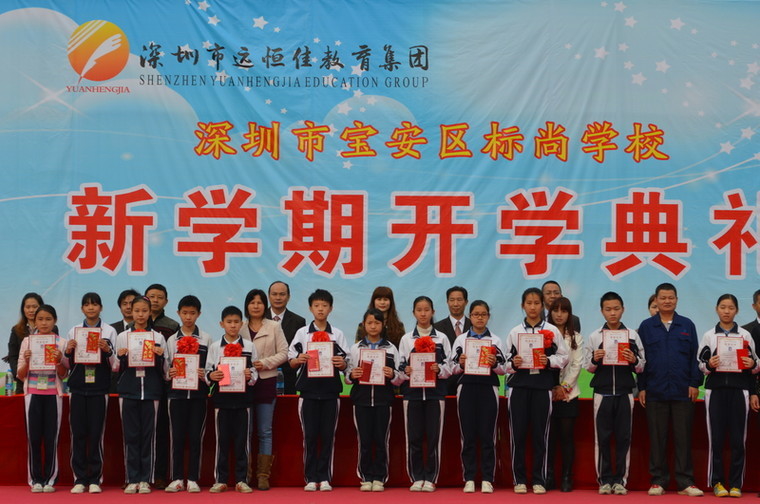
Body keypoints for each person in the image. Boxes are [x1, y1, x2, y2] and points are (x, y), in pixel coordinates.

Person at [637, 283, 704, 497]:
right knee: (657, 438)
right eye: (663, 298)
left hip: (683, 391)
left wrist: (694, 383)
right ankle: (658, 481)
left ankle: (685, 482)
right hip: (655, 391)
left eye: (671, 297)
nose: (667, 301)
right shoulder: (646, 326)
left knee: (683, 438)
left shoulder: (687, 324)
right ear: (656, 300)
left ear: (676, 299)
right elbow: (641, 360)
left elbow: (695, 357)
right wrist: (642, 387)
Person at [505, 287, 569, 495]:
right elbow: (504, 363)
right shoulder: (515, 332)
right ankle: (519, 480)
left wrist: (548, 360)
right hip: (519, 388)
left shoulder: (552, 331)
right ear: (522, 306)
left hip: (542, 387)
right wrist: (513, 363)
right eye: (529, 303)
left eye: (536, 303)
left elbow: (564, 357)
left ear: (543, 306)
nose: (532, 307)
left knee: (541, 435)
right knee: (518, 435)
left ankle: (539, 479)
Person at [698, 294, 760, 498]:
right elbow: (700, 364)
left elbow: (756, 364)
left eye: (731, 308)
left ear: (737, 311)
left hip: (739, 391)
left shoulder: (745, 335)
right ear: (716, 309)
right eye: (723, 307)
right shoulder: (709, 335)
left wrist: (752, 364)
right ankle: (717, 482)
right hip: (714, 391)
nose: (726, 311)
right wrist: (709, 364)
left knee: (738, 439)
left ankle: (735, 484)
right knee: (715, 439)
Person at [584, 292, 645, 496]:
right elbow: (587, 367)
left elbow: (642, 366)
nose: (612, 313)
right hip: (602, 394)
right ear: (602, 311)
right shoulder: (595, 336)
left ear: (623, 309)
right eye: (608, 309)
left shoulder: (632, 335)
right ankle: (604, 480)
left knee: (624, 438)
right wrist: (595, 359)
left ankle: (620, 480)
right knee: (601, 439)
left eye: (616, 309)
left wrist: (633, 360)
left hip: (625, 393)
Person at [288, 289, 348, 492]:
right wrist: (299, 359)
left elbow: (346, 362)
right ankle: (311, 478)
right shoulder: (302, 333)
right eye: (316, 305)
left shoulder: (337, 334)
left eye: (324, 305)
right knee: (310, 437)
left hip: (331, 392)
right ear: (310, 308)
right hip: (308, 393)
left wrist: (341, 363)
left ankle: (325, 478)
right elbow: (291, 361)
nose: (320, 309)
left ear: (331, 308)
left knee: (328, 436)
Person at [449, 300, 507, 494]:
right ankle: (469, 478)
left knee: (488, 434)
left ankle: (488, 479)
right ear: (470, 316)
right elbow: (451, 367)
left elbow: (504, 369)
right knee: (468, 435)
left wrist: (494, 363)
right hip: (466, 388)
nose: (480, 318)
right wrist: (461, 363)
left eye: (483, 314)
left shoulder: (496, 341)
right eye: (476, 314)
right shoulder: (461, 340)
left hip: (488, 388)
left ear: (488, 317)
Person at [64, 293, 117, 494]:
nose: (91, 308)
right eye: (87, 305)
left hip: (99, 389)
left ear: (101, 307)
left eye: (94, 304)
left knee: (96, 434)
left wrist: (107, 350)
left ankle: (95, 479)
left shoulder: (109, 331)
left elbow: (115, 365)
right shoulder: (74, 331)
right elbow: (66, 365)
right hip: (77, 388)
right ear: (82, 309)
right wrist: (68, 351)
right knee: (78, 434)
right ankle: (79, 479)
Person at [114, 296, 169, 494]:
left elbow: (167, 371)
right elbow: (114, 367)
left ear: (150, 312)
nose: (140, 314)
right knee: (130, 436)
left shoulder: (158, 337)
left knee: (148, 436)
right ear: (131, 311)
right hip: (128, 391)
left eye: (144, 311)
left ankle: (146, 479)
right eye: (136, 310)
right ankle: (131, 478)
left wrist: (160, 356)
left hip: (152, 391)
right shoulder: (122, 337)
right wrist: (120, 356)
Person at [398, 295, 452, 493]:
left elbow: (450, 366)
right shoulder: (406, 339)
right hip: (412, 395)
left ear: (433, 312)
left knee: (433, 438)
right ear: (413, 313)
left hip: (435, 395)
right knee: (413, 438)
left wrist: (440, 369)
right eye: (419, 310)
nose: (423, 313)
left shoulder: (442, 338)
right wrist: (406, 371)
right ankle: (416, 477)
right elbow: (400, 367)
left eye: (426, 310)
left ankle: (430, 477)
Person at [346, 308, 404, 492]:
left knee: (381, 440)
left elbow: (400, 377)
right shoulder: (356, 348)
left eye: (377, 323)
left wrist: (392, 374)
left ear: (383, 325)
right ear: (364, 325)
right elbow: (347, 376)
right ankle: (365, 477)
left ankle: (379, 477)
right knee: (364, 440)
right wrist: (352, 375)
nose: (373, 326)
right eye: (369, 323)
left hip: (383, 400)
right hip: (361, 400)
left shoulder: (390, 348)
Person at [206, 305, 258, 494]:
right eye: (229, 322)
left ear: (242, 323)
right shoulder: (215, 347)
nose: (233, 325)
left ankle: (241, 479)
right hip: (222, 401)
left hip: (243, 401)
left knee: (242, 442)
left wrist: (249, 375)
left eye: (236, 322)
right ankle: (220, 480)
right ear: (222, 324)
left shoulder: (249, 346)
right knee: (222, 441)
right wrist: (212, 376)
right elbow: (208, 371)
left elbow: (255, 372)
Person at [239, 288, 288, 490]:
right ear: (247, 306)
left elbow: (284, 353)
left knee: (265, 431)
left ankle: (262, 475)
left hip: (266, 382)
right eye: (252, 302)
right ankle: (245, 474)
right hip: (243, 384)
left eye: (259, 302)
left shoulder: (274, 326)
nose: (256, 306)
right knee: (246, 431)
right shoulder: (239, 326)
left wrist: (265, 363)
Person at [17, 304, 67, 493]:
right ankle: (35, 479)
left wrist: (59, 360)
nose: (44, 323)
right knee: (34, 437)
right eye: (40, 319)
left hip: (53, 394)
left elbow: (64, 374)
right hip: (32, 393)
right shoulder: (27, 342)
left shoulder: (61, 343)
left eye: (48, 319)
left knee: (51, 437)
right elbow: (20, 374)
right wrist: (27, 360)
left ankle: (50, 479)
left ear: (55, 321)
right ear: (34, 321)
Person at [164, 295, 211, 493]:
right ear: (178, 313)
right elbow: (165, 367)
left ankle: (192, 478)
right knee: (176, 438)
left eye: (192, 313)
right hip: (176, 396)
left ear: (199, 314)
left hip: (199, 396)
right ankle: (176, 478)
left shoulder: (206, 338)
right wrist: (170, 373)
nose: (188, 317)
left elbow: (211, 368)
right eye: (184, 313)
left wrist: (204, 374)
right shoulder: (171, 340)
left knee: (195, 437)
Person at [546, 297, 583, 492]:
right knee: (549, 437)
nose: (559, 315)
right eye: (555, 310)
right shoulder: (544, 335)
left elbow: (576, 365)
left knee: (567, 437)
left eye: (564, 311)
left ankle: (567, 476)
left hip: (569, 395)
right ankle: (549, 475)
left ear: (569, 314)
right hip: (547, 393)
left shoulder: (576, 337)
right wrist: (553, 388)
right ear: (550, 312)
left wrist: (563, 387)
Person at [144, 283, 178, 489]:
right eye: (151, 296)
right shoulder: (136, 326)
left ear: (166, 301)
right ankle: (140, 475)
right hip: (141, 384)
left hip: (164, 386)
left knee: (162, 430)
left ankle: (159, 475)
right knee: (142, 431)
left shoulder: (172, 326)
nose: (155, 300)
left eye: (159, 297)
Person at [266, 281, 306, 395]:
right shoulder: (259, 318)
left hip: (288, 377)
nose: (278, 298)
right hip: (263, 375)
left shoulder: (298, 321)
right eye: (274, 294)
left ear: (288, 297)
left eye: (282, 294)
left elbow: (299, 350)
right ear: (269, 296)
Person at [6, 292, 45, 394]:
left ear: (41, 308)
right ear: (23, 309)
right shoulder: (16, 330)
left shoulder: (51, 329)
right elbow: (13, 356)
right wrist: (19, 376)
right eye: (28, 307)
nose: (31, 310)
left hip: (44, 380)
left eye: (35, 307)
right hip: (23, 382)